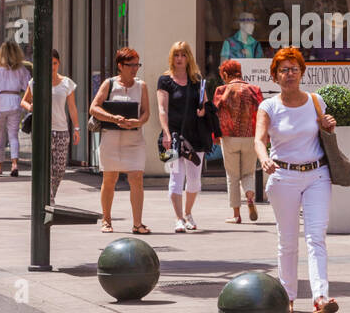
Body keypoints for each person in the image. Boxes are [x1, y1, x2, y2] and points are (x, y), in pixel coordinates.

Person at [254, 46, 339, 313]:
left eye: (294, 69)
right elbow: (258, 139)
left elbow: (324, 132)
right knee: (288, 240)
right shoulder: (269, 106)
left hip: (317, 174)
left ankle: (321, 297)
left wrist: (329, 125)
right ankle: (287, 295)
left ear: (302, 72)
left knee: (316, 237)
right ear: (275, 76)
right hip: (284, 175)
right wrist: (264, 158)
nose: (289, 74)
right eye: (284, 70)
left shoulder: (316, 101)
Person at [90, 47, 150, 234]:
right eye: (130, 65)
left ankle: (137, 223)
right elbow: (94, 108)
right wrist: (114, 118)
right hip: (111, 137)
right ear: (120, 65)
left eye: (137, 64)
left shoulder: (142, 86)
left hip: (134, 139)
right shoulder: (109, 84)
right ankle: (106, 220)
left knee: (137, 178)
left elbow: (146, 112)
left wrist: (138, 122)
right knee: (110, 179)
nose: (135, 69)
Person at [156, 41, 212, 233]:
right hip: (174, 136)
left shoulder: (196, 80)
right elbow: (162, 109)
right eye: (176, 55)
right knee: (176, 176)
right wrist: (165, 132)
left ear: (189, 58)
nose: (180, 59)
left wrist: (203, 112)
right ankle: (178, 218)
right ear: (172, 58)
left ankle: (188, 213)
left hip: (195, 136)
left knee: (195, 180)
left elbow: (205, 105)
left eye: (183, 55)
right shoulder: (165, 81)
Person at [20, 49, 79, 201]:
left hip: (61, 130)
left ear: (58, 64)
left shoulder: (67, 83)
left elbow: (72, 107)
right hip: (42, 130)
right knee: (45, 167)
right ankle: (48, 199)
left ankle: (49, 195)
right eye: (48, 63)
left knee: (59, 169)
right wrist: (31, 107)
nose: (51, 66)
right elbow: (24, 101)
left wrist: (77, 128)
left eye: (54, 63)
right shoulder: (35, 82)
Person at [213, 59, 263, 224]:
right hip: (250, 137)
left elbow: (215, 113)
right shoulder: (254, 90)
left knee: (232, 176)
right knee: (248, 173)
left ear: (225, 74)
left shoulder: (221, 90)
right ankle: (249, 196)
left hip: (229, 137)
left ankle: (236, 214)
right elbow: (262, 114)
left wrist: (215, 136)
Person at [0, 40, 31, 177]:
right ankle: (15, 164)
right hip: (14, 100)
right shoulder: (21, 70)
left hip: (0, 102)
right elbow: (28, 86)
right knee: (13, 135)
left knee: (0, 135)